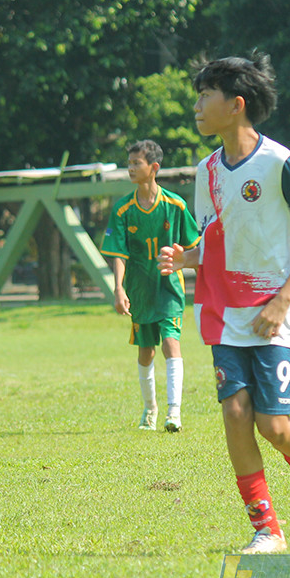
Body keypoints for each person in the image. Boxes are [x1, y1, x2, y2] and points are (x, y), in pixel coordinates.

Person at [158, 53, 290, 553]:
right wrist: (185, 258)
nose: (196, 105)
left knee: (273, 424)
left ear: (235, 105)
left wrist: (282, 299)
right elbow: (217, 240)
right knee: (236, 414)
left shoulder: (278, 162)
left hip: (277, 309)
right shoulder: (206, 171)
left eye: (204, 95)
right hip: (223, 310)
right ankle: (266, 529)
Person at [102, 139, 200, 432]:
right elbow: (118, 254)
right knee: (146, 351)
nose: (130, 168)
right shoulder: (122, 210)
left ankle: (174, 413)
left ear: (153, 167)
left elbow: (195, 247)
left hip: (168, 288)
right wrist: (119, 289)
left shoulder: (176, 205)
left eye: (136, 163)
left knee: (171, 343)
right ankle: (150, 410)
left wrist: (183, 259)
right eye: (129, 163)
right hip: (139, 290)